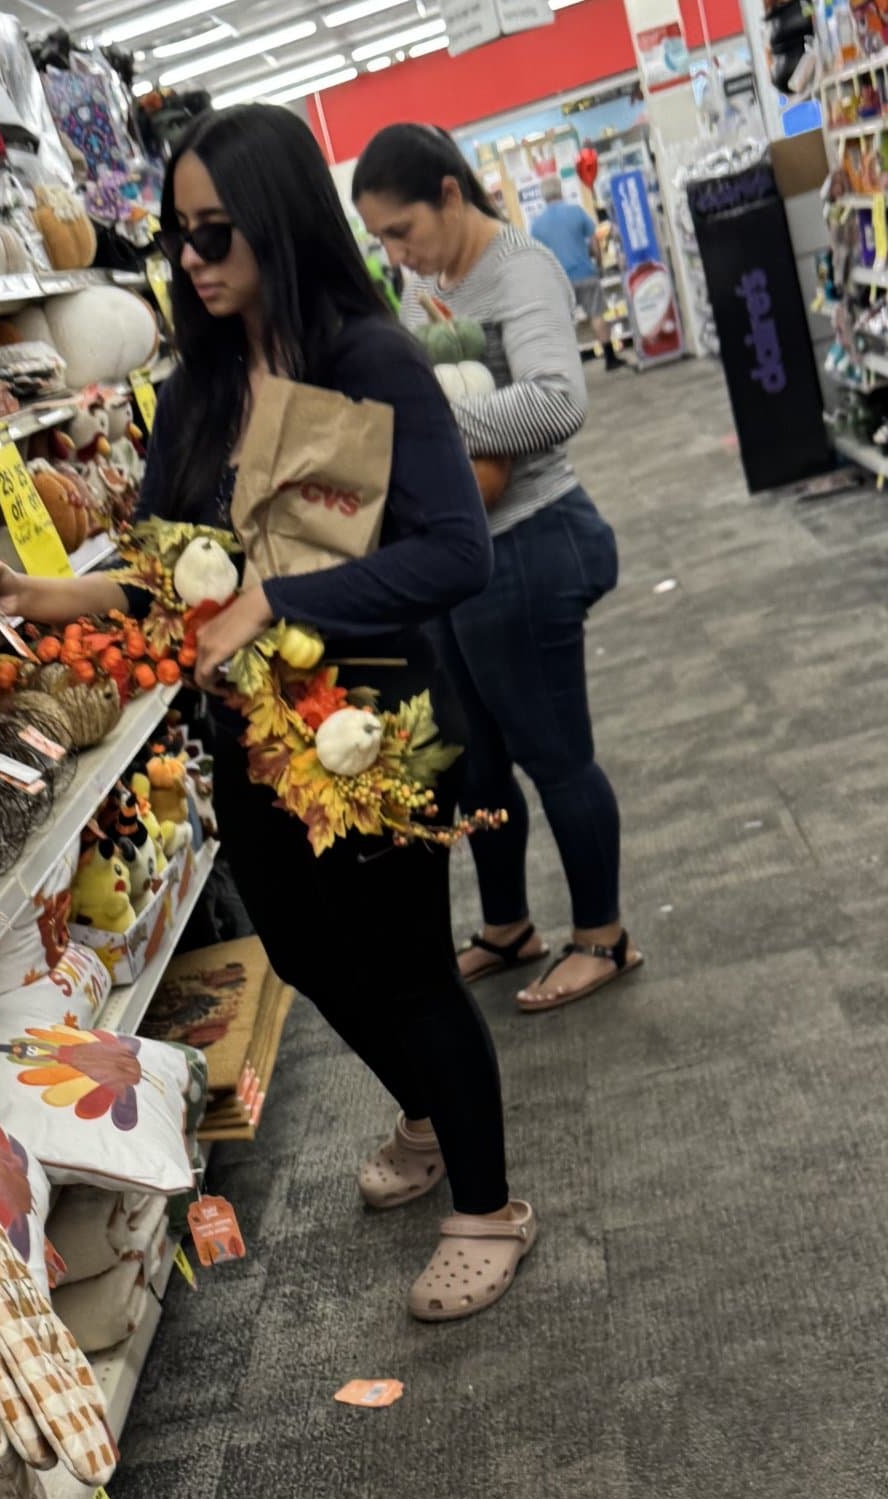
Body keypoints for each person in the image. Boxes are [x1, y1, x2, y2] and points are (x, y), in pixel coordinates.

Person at [0, 104, 535, 1323]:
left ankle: (488, 1204)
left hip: (369, 722)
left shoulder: (370, 360)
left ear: (279, 220)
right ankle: (429, 1115)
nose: (190, 257)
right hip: (246, 731)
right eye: (176, 234)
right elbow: (166, 568)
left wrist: (284, 596)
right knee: (301, 947)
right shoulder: (197, 389)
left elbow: (455, 554)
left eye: (214, 230)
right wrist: (48, 591)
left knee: (406, 966)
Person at [353, 123, 641, 1012]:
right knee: (475, 762)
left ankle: (602, 937)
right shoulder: (425, 281)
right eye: (383, 241)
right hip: (457, 554)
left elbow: (559, 400)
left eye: (403, 230)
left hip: (532, 539)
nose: (398, 253)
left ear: (450, 193)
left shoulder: (520, 271)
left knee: (556, 755)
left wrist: (425, 429)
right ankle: (509, 925)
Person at [530, 175, 625, 372]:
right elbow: (594, 242)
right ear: (560, 191)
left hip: (558, 281)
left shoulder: (537, 225)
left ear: (543, 196)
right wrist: (598, 265)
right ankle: (610, 358)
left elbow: (538, 257)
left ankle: (572, 367)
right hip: (585, 273)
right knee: (597, 315)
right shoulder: (576, 212)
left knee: (565, 324)